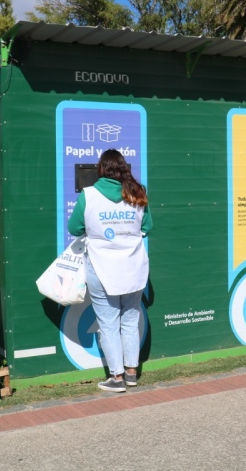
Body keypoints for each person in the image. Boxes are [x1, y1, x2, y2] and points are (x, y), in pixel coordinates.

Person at [68, 149, 152, 392]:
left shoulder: (89, 195)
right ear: (124, 167)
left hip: (101, 266)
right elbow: (148, 226)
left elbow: (74, 228)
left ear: (101, 169)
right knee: (129, 320)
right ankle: (132, 373)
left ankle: (116, 378)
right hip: (134, 267)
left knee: (108, 323)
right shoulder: (138, 193)